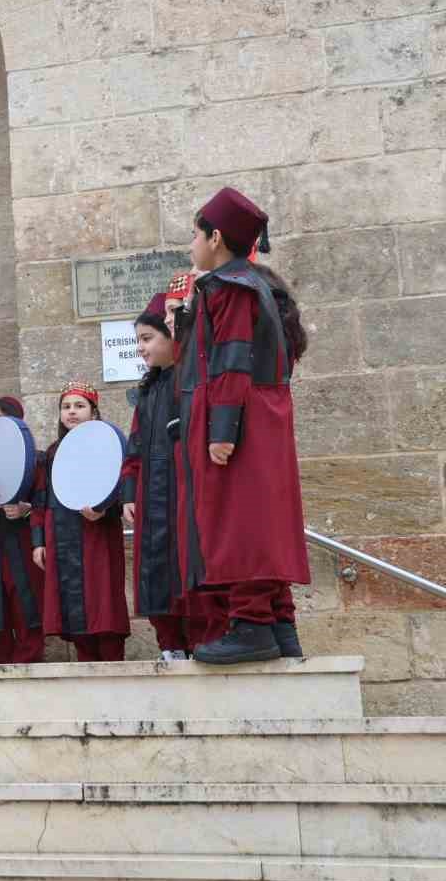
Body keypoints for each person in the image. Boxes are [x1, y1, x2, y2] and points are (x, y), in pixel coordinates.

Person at [175, 188, 311, 665]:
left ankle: (252, 623)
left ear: (216, 237)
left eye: (195, 234)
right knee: (264, 520)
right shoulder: (262, 287)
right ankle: (279, 622)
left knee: (241, 523)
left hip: (241, 420)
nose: (191, 244)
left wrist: (221, 431)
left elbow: (230, 363)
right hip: (265, 417)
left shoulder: (229, 287)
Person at [31, 382, 130, 662]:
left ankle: (113, 670)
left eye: (79, 406)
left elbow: (124, 490)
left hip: (96, 536)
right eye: (66, 407)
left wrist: (105, 511)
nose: (71, 412)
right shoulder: (51, 454)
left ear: (94, 412)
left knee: (102, 604)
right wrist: (38, 542)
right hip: (61, 538)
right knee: (72, 613)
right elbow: (41, 500)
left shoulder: (109, 446)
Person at [121, 296, 192, 662]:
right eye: (138, 340)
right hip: (152, 498)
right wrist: (130, 492)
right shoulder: (148, 392)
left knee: (185, 569)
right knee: (157, 572)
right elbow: (134, 449)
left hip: (181, 494)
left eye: (148, 338)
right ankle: (170, 645)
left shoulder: (190, 382)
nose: (142, 348)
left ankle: (198, 642)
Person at [0, 398, 44, 665]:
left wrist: (27, 510)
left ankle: (28, 669)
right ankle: (0, 672)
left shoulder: (37, 460)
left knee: (27, 607)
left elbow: (45, 503)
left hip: (22, 542)